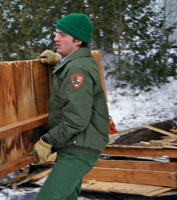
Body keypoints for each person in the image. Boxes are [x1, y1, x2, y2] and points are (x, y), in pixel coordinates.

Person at [33, 13, 110, 200]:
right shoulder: (78, 62)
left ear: (77, 41)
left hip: (79, 148)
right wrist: (60, 61)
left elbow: (77, 119)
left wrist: (47, 139)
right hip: (77, 144)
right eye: (56, 33)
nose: (55, 38)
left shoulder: (77, 69)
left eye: (62, 35)